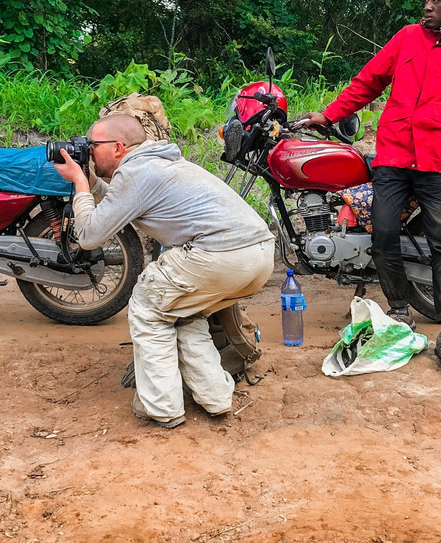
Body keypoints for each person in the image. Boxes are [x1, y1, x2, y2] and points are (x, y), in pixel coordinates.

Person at [301, 0, 441, 380]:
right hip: (395, 155)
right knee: (383, 235)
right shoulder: (406, 38)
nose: (427, 6)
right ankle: (400, 313)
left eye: (436, 1)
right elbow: (368, 82)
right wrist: (329, 114)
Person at [53, 113, 275, 428]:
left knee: (147, 307)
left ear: (118, 147)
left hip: (220, 256)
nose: (88, 151)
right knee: (183, 313)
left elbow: (88, 237)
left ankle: (161, 407)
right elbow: (123, 201)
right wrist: (90, 183)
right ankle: (216, 398)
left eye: (93, 145)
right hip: (258, 257)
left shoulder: (136, 174)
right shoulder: (156, 164)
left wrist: (78, 184)